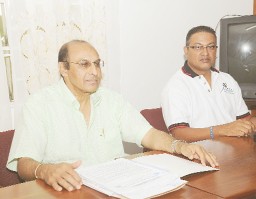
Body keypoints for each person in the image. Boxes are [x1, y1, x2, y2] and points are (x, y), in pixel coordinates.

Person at [7, 40, 218, 192]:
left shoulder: (111, 100)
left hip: (117, 189)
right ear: (63, 68)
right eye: (84, 64)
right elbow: (24, 163)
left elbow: (149, 134)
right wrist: (44, 170)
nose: (94, 71)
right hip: (67, 192)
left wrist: (180, 146)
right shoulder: (40, 104)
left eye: (97, 64)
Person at [161, 26, 256, 142]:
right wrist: (222, 130)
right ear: (186, 51)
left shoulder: (227, 79)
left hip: (236, 149)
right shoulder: (176, 86)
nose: (205, 53)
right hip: (200, 155)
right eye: (198, 47)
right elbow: (179, 134)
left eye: (211, 47)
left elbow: (245, 121)